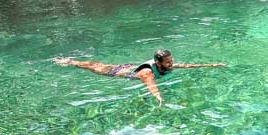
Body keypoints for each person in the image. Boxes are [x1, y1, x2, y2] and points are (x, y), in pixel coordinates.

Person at [54, 50, 225, 105]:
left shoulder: (167, 64)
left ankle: (72, 60)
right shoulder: (147, 73)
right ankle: (70, 62)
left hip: (128, 67)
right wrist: (159, 99)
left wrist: (212, 65)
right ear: (159, 62)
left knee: (98, 64)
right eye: (168, 61)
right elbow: (151, 86)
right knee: (95, 67)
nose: (172, 63)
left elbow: (186, 66)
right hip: (117, 73)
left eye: (171, 60)